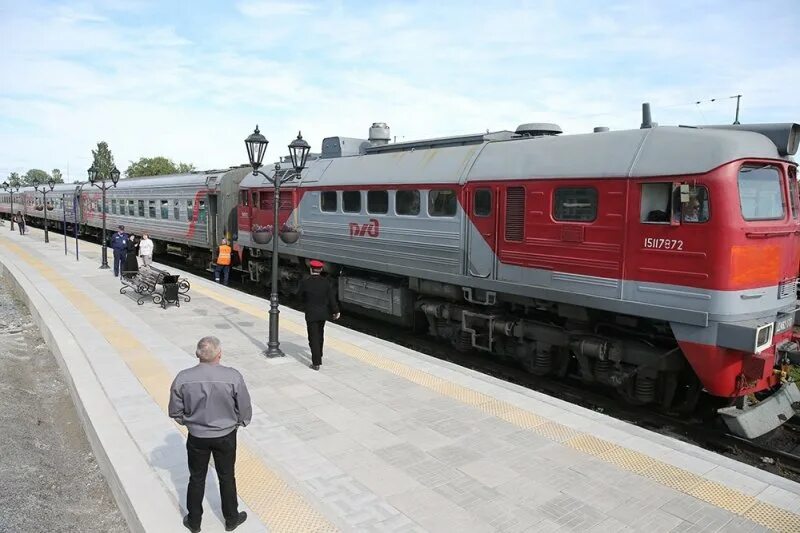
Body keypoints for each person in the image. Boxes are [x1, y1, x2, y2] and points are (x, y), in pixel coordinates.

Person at [168, 336, 251, 533]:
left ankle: (194, 521)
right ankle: (231, 519)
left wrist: (190, 423)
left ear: (197, 355)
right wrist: (239, 423)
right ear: (219, 354)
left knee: (196, 477)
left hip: (197, 436)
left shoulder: (183, 377)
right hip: (226, 435)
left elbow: (175, 411)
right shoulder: (233, 376)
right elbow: (245, 407)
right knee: (227, 476)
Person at [296, 260, 340, 370]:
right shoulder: (326, 283)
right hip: (323, 314)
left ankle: (316, 363)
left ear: (311, 269)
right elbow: (331, 299)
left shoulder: (305, 282)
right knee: (320, 335)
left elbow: (299, 297)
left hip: (311, 314)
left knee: (313, 337)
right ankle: (319, 354)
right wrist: (336, 311)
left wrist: (305, 304)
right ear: (320, 270)